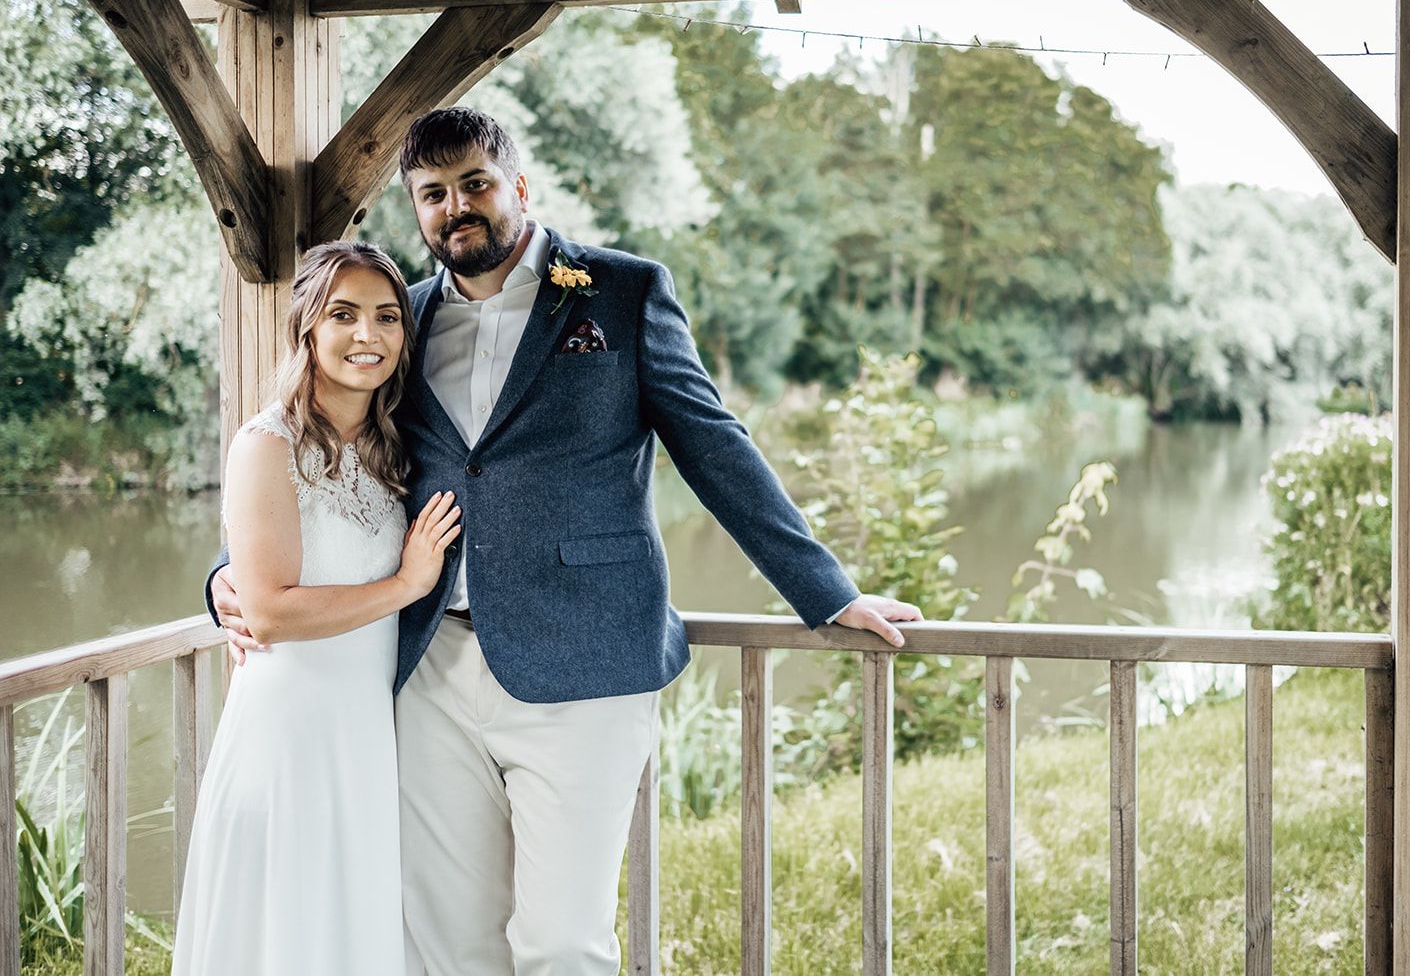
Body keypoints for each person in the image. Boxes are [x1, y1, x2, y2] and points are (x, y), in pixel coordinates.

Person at [207, 107, 923, 975]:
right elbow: (335, 471)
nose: (455, 206)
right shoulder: (402, 323)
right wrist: (230, 580)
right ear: (416, 208)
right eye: (432, 194)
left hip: (586, 663)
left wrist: (826, 590)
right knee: (446, 938)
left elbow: (713, 444)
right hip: (430, 667)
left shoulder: (621, 291)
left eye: (474, 183)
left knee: (558, 943)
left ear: (518, 184)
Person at [174, 242, 462, 975]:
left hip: (363, 735)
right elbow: (266, 609)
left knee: (348, 926)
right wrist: (405, 584)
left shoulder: (393, 445)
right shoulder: (265, 443)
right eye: (344, 314)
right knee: (284, 930)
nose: (367, 335)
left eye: (386, 317)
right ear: (307, 324)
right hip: (289, 734)